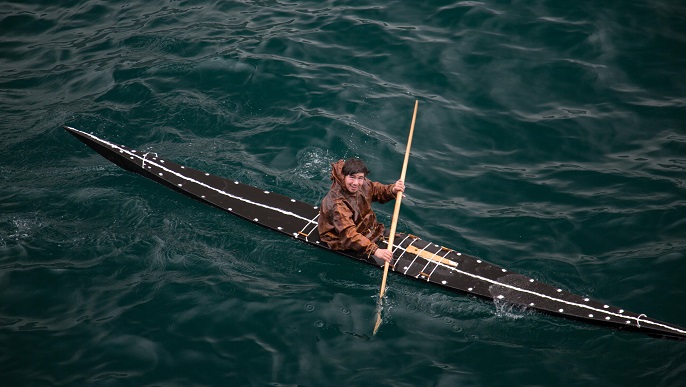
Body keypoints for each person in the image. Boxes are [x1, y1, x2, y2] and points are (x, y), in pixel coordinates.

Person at [317, 158, 405, 263]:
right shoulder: (337, 204)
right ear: (344, 176)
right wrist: (375, 250)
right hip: (340, 238)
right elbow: (348, 234)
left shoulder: (363, 183)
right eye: (352, 177)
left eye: (360, 178)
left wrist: (392, 190)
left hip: (363, 228)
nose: (356, 183)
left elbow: (376, 189)